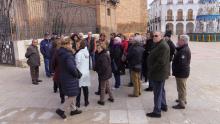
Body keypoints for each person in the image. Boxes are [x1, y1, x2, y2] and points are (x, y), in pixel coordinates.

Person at [56, 38, 82, 119]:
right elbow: (71, 67)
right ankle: (61, 110)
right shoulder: (67, 55)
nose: (71, 45)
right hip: (69, 78)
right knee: (73, 95)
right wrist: (77, 74)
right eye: (70, 44)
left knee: (71, 94)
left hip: (64, 76)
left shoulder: (61, 53)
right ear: (66, 45)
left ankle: (73, 110)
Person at [146, 32, 170, 118]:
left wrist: (151, 69)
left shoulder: (163, 46)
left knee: (157, 93)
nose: (154, 37)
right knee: (161, 91)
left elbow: (161, 62)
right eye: (153, 36)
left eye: (156, 36)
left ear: (161, 36)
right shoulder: (158, 44)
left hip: (158, 73)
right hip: (159, 73)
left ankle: (157, 111)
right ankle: (163, 105)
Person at [172, 35, 191, 109]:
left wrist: (176, 70)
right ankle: (183, 99)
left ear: (183, 41)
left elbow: (182, 64)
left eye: (179, 40)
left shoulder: (184, 50)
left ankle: (181, 103)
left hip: (181, 73)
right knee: (182, 87)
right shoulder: (182, 48)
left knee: (181, 88)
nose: (177, 41)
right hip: (182, 72)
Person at [75, 40, 91, 108]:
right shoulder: (86, 52)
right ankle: (86, 101)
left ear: (80, 45)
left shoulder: (79, 54)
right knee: (85, 87)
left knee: (79, 88)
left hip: (80, 73)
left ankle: (78, 103)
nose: (76, 45)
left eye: (77, 44)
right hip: (86, 72)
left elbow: (76, 64)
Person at [51, 38, 65, 104]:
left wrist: (54, 69)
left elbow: (53, 63)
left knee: (61, 86)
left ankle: (62, 99)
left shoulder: (56, 52)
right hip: (64, 71)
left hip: (59, 71)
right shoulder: (67, 51)